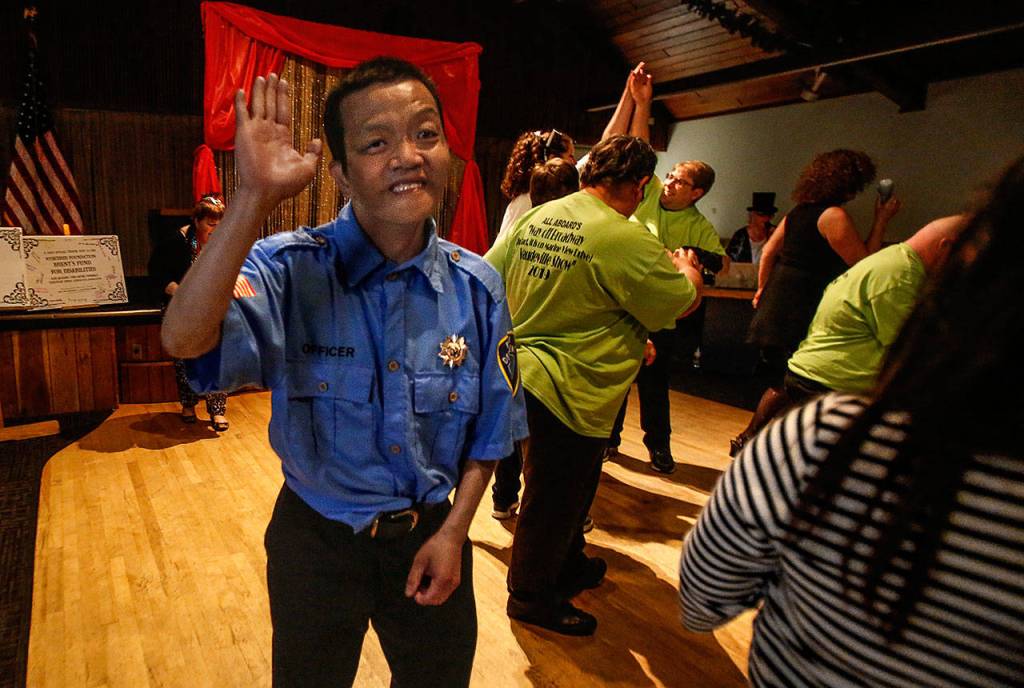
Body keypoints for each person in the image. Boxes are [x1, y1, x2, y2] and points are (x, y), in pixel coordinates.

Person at [161, 58, 527, 687]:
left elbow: (491, 433)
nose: (408, 155)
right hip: (317, 543)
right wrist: (252, 198)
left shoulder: (478, 286)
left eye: (426, 134)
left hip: (432, 533)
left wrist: (455, 532)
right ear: (341, 172)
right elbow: (185, 340)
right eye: (377, 142)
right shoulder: (290, 268)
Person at [679, 155, 1024, 687]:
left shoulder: (824, 435)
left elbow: (701, 601)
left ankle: (751, 446)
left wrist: (762, 291)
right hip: (810, 347)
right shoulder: (854, 237)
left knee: (779, 394)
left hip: (800, 343)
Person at [486, 134, 704, 636]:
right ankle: (531, 596)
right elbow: (678, 303)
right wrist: (689, 273)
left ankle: (567, 566)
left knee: (572, 487)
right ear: (641, 185)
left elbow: (489, 274)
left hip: (524, 374)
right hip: (574, 386)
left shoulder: (539, 217)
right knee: (554, 496)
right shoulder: (625, 238)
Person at [599, 65, 728, 474]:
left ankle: (659, 448)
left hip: (661, 313)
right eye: (669, 175)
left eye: (679, 180)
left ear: (697, 192)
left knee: (655, 387)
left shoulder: (700, 227)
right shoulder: (649, 195)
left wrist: (688, 258)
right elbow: (634, 150)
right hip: (625, 304)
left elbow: (716, 264)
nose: (668, 181)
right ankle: (609, 441)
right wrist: (642, 103)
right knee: (617, 381)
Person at [730, 149, 901, 456]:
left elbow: (768, 252)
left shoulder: (797, 212)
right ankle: (759, 441)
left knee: (784, 379)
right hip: (803, 302)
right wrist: (881, 221)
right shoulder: (833, 216)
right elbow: (862, 265)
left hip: (779, 298)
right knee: (794, 382)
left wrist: (761, 290)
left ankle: (755, 441)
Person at [785, 214, 966, 402]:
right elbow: (907, 346)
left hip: (816, 373)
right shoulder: (901, 275)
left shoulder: (893, 259)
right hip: (831, 384)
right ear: (946, 247)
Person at [490, 156, 580, 522]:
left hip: (511, 345)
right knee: (550, 443)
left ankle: (503, 498)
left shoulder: (520, 224)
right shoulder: (580, 233)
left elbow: (487, 269)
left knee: (512, 429)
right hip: (557, 354)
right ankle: (545, 515)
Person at [148, 194, 229, 431]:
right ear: (197, 221)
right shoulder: (176, 242)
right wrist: (182, 292)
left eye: (220, 224)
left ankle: (217, 411)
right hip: (181, 308)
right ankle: (188, 405)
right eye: (211, 224)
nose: (216, 229)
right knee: (185, 362)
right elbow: (157, 274)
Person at [496, 128, 576, 236]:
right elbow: (504, 248)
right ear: (553, 159)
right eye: (570, 156)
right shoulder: (525, 201)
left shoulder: (545, 199)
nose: (574, 162)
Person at [725, 191, 777, 264]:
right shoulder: (740, 236)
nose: (766, 219)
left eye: (769, 215)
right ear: (752, 215)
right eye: (761, 215)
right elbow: (729, 260)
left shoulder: (775, 233)